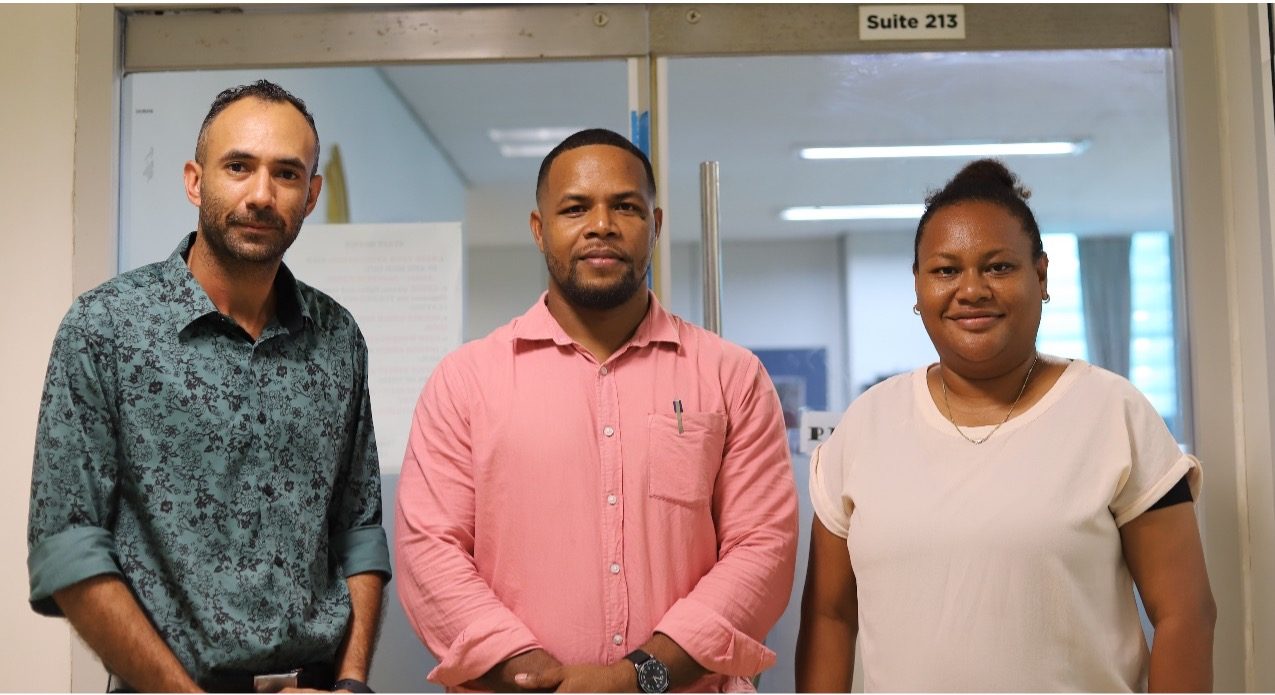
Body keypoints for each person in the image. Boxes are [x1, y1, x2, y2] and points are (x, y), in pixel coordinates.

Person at [395, 128, 798, 693]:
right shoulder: (466, 382)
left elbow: (762, 547)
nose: (601, 224)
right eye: (575, 207)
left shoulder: (731, 376)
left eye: (626, 207)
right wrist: (526, 671)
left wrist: (639, 677)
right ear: (540, 230)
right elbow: (429, 550)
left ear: (655, 227)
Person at [795, 159, 1216, 692]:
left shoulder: (1114, 412)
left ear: (1041, 276)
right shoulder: (865, 426)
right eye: (946, 270)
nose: (971, 290)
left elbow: (1186, 612)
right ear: (918, 287)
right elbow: (829, 617)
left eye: (998, 267)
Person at [26, 80, 390, 693]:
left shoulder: (337, 336)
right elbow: (68, 548)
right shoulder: (107, 328)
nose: (261, 195)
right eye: (239, 167)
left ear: (311, 194)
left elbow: (357, 531)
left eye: (286, 174)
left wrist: (350, 683)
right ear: (196, 180)